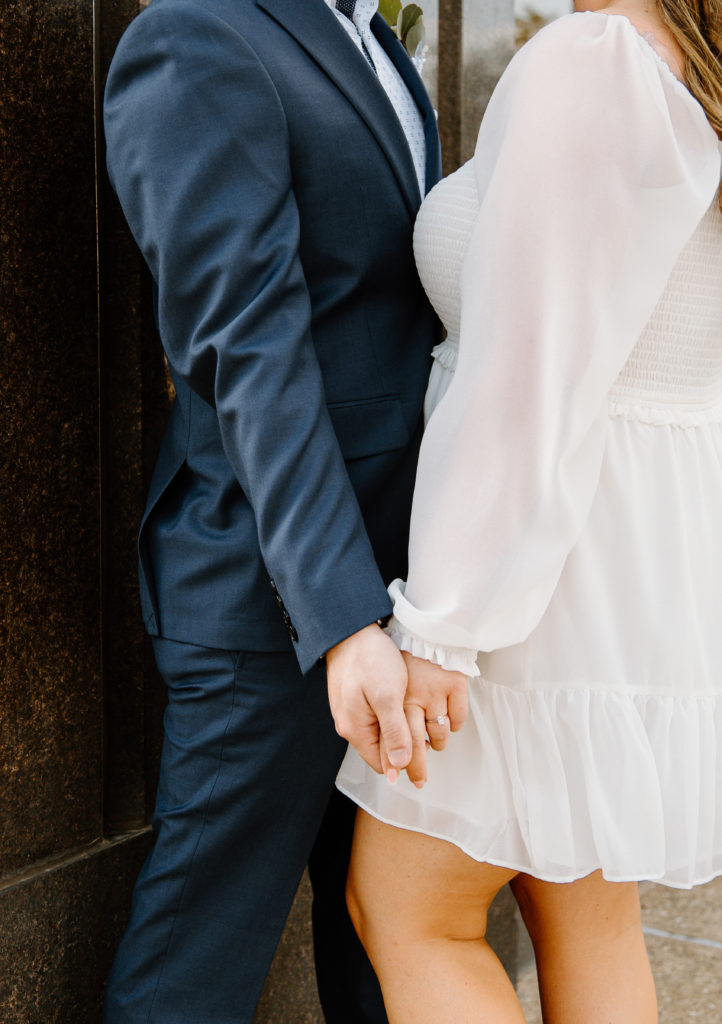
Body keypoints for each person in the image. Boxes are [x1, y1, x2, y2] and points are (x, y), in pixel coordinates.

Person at [337, 0, 722, 1020]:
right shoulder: (681, 62)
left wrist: (442, 627)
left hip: (535, 584)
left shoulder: (592, 63)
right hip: (627, 569)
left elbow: (526, 378)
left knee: (409, 910)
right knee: (587, 919)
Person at [101, 1, 441, 1021]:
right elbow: (246, 348)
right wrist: (341, 618)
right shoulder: (194, 38)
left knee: (379, 941)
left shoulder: (373, 39)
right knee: (197, 959)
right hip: (269, 597)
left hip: (401, 588)